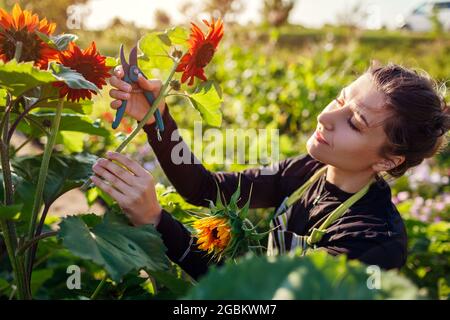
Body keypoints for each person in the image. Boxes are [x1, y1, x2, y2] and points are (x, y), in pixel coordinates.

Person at [91, 62, 450, 280]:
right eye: (340, 100)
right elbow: (206, 189)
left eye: (354, 122)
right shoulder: (311, 170)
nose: (325, 117)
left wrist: (156, 221)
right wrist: (157, 120)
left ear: (389, 161)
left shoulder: (372, 242)